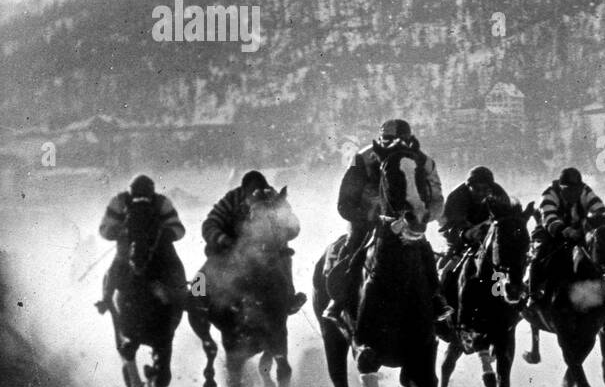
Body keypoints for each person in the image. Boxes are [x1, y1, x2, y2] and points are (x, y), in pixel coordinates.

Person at [321, 118, 450, 326]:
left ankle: (436, 298)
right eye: (390, 140)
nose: (396, 145)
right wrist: (370, 217)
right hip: (367, 223)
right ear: (381, 140)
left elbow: (437, 199)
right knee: (353, 249)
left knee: (424, 252)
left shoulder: (424, 163)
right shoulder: (360, 160)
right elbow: (344, 203)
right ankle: (339, 300)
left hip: (408, 224)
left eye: (402, 140)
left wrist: (424, 216)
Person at [202, 169, 307, 314]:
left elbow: (294, 226)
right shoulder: (232, 198)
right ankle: (196, 297)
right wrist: (223, 239)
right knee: (206, 271)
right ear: (244, 192)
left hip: (269, 250)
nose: (256, 195)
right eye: (252, 192)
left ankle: (289, 297)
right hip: (234, 250)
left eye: (261, 190)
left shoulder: (274, 198)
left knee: (283, 261)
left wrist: (282, 233)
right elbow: (209, 224)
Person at [95, 174, 188, 313]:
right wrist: (117, 231)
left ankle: (184, 297)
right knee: (115, 268)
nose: (141, 199)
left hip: (158, 247)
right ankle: (106, 299)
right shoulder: (119, 201)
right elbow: (104, 228)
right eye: (138, 195)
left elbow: (178, 229)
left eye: (145, 195)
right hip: (127, 247)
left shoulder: (162, 202)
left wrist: (164, 234)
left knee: (175, 265)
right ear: (131, 193)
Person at [525, 167, 605, 303]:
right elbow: (549, 218)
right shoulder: (549, 193)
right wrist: (567, 231)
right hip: (550, 233)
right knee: (540, 255)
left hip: (578, 232)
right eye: (568, 190)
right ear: (561, 187)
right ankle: (533, 295)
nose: (573, 194)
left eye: (576, 189)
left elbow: (600, 208)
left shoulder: (584, 191)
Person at [439, 166, 513, 267]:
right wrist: (469, 233)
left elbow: (508, 219)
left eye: (485, 189)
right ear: (468, 186)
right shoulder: (456, 197)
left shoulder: (499, 195)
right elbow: (454, 227)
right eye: (476, 189)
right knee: (448, 260)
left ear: (491, 188)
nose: (481, 193)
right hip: (454, 231)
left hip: (486, 230)